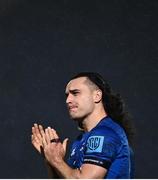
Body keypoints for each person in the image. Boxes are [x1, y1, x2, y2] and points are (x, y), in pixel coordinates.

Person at [31, 72, 135, 179]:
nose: (68, 100)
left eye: (75, 93)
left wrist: (56, 160)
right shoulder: (80, 140)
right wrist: (50, 159)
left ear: (97, 96)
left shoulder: (104, 134)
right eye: (67, 95)